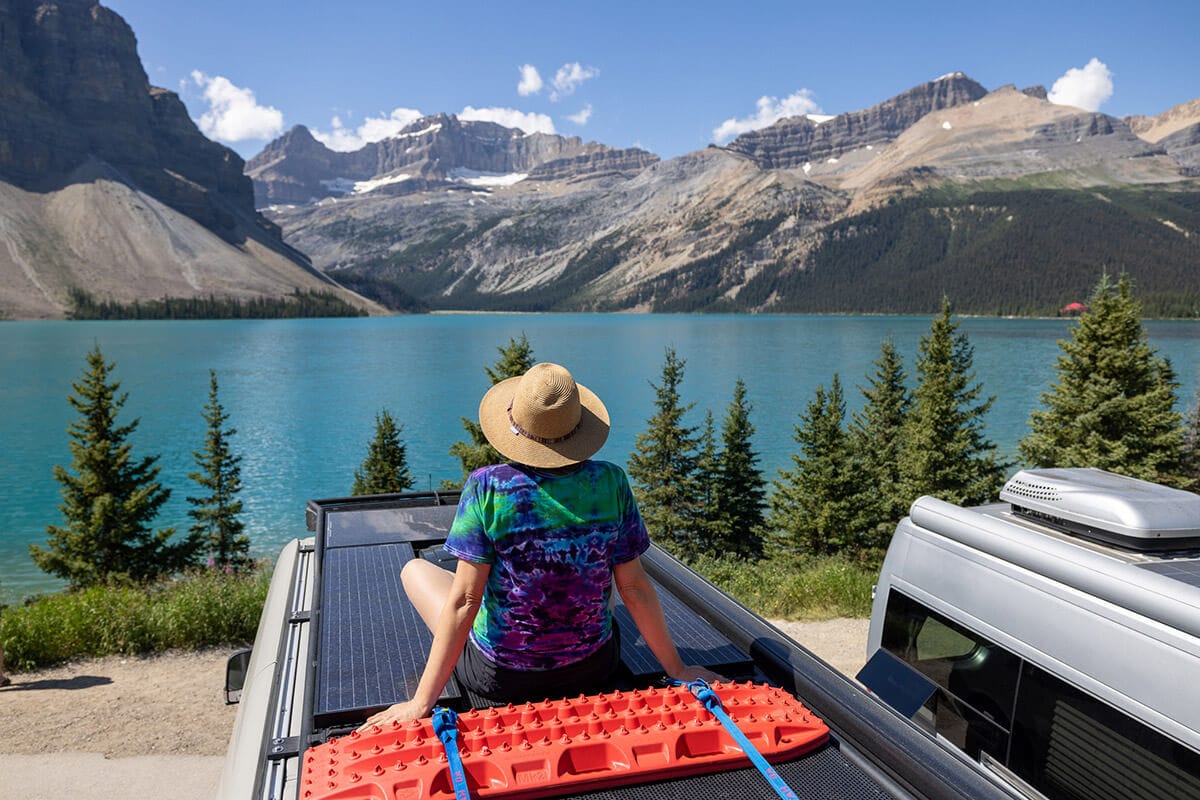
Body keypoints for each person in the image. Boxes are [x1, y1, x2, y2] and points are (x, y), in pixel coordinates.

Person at [364, 362, 719, 727]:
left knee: (416, 570)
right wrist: (678, 668)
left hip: (501, 677)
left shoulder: (488, 487)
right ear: (578, 427)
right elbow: (635, 588)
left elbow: (466, 601)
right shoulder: (611, 482)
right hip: (592, 668)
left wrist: (421, 703)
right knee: (600, 578)